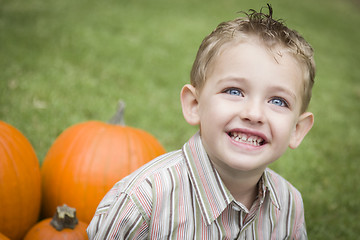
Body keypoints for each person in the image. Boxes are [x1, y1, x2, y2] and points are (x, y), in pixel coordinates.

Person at [87, 4, 315, 239]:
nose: (254, 114)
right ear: (194, 105)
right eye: (234, 91)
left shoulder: (289, 206)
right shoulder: (143, 204)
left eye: (278, 101)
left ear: (297, 129)